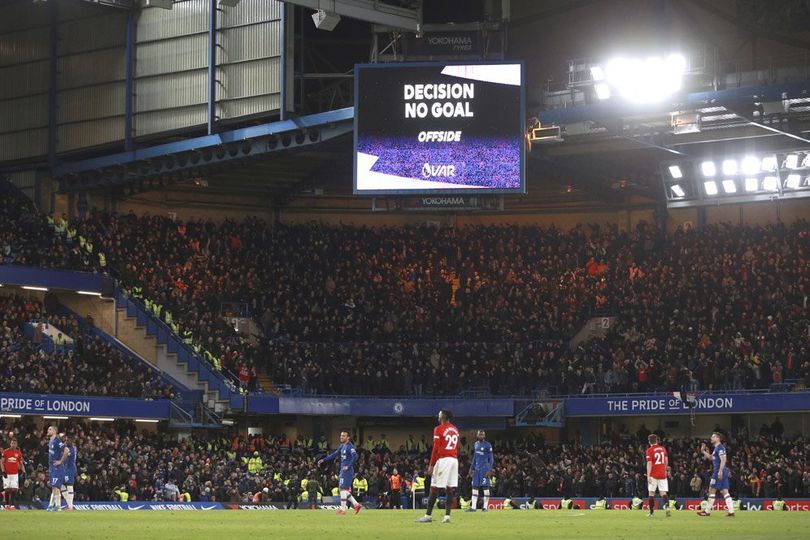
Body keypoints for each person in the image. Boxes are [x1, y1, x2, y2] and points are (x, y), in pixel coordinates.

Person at [416, 410, 460, 524]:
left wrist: (431, 464)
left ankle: (428, 515)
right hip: (454, 460)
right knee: (449, 488)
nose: (438, 416)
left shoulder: (438, 429)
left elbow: (435, 448)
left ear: (442, 417)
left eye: (439, 414)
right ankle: (447, 517)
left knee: (434, 487)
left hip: (444, 459)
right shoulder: (455, 429)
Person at [318, 429, 362, 515]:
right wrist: (324, 460)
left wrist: (348, 466)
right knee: (343, 489)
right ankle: (356, 505)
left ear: (348, 437)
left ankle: (343, 510)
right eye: (341, 435)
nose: (341, 437)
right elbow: (334, 454)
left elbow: (355, 456)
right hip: (343, 470)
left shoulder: (350, 446)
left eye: (343, 436)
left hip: (347, 471)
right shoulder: (342, 446)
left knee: (342, 489)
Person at [697, 432, 735, 517]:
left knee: (711, 490)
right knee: (724, 491)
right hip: (722, 471)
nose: (711, 438)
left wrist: (720, 471)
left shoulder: (720, 448)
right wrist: (703, 451)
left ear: (718, 438)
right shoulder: (716, 448)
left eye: (713, 437)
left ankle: (707, 511)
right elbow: (711, 458)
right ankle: (731, 511)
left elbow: (723, 459)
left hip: (718, 471)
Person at [467, 429, 494, 512]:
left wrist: (489, 469)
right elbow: (475, 457)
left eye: (482, 434)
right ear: (477, 435)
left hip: (484, 469)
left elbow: (491, 459)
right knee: (474, 488)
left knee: (486, 489)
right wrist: (471, 468)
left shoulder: (488, 445)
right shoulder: (476, 444)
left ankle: (485, 507)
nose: (481, 436)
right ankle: (473, 507)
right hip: (477, 470)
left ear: (484, 436)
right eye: (480, 434)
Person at [645, 433, 670, 518]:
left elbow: (649, 463)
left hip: (653, 474)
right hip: (662, 474)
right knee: (663, 492)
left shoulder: (649, 450)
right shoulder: (663, 449)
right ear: (656, 440)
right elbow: (666, 461)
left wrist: (648, 476)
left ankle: (651, 513)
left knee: (651, 493)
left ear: (649, 442)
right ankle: (667, 506)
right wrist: (664, 469)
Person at [46, 426, 68, 511]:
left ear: (55, 431)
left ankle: (56, 506)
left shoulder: (57, 441)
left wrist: (60, 461)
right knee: (54, 487)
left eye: (50, 429)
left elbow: (66, 450)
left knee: (56, 487)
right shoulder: (51, 441)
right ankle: (54, 505)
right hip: (52, 467)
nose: (48, 430)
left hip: (57, 467)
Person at [1, 438, 25, 509]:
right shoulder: (5, 452)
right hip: (7, 473)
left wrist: (24, 472)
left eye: (14, 443)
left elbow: (21, 463)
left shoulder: (18, 453)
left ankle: (12, 505)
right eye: (12, 443)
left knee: (14, 489)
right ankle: (7, 505)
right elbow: (1, 462)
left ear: (16, 444)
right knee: (7, 489)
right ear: (10, 444)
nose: (13, 445)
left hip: (15, 474)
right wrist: (3, 471)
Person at [61, 434, 77, 511]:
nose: (66, 441)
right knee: (62, 486)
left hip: (70, 470)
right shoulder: (67, 448)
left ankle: (70, 506)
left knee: (69, 486)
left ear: (72, 441)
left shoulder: (72, 449)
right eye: (66, 440)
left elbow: (64, 455)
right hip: (65, 470)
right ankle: (69, 505)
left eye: (68, 440)